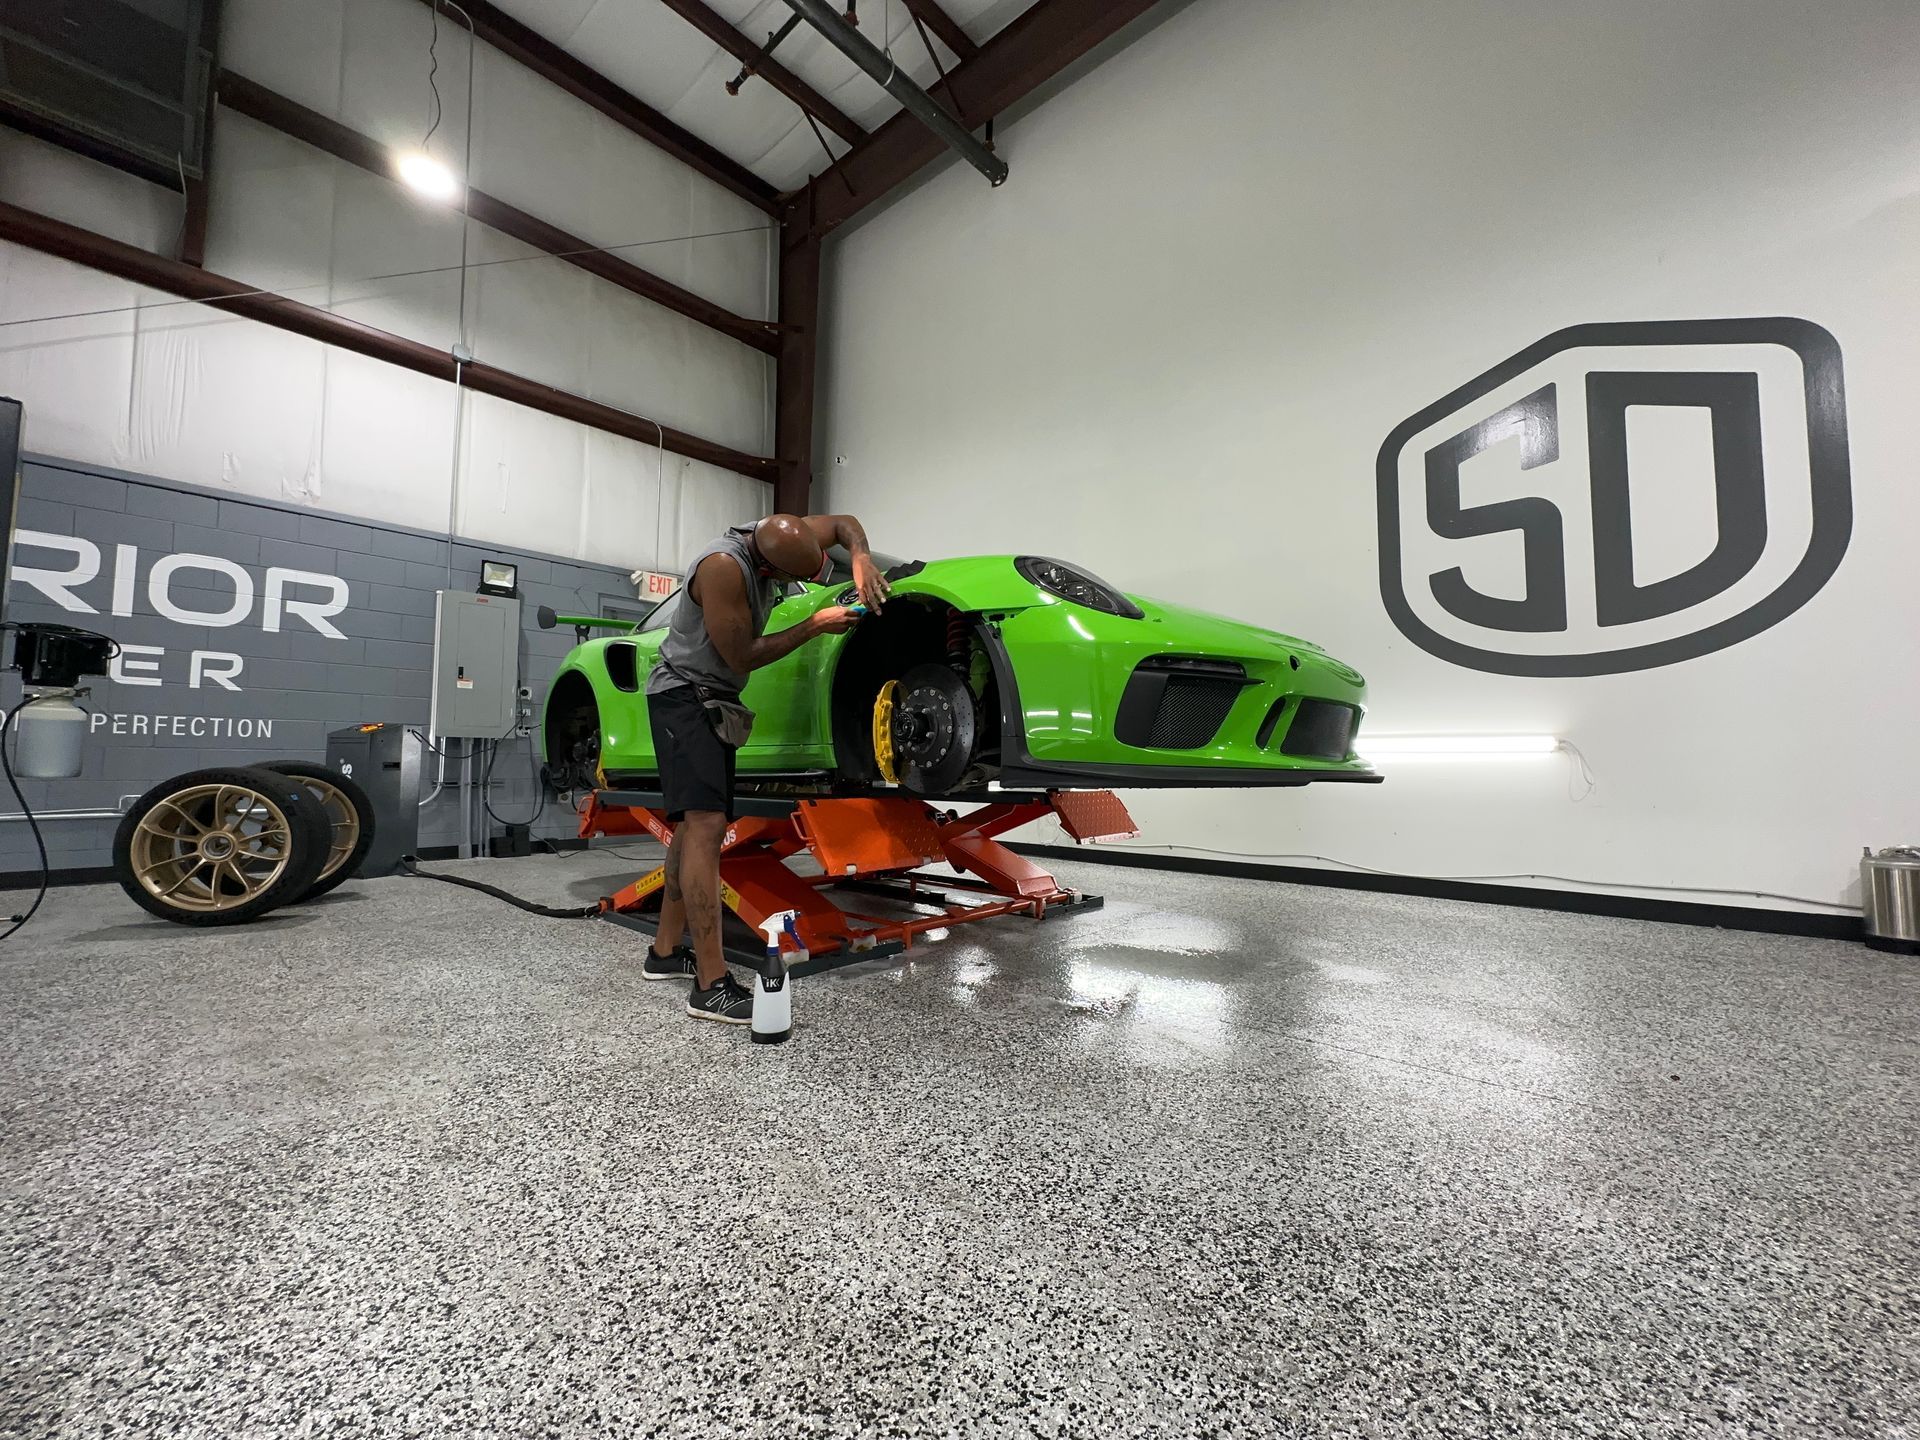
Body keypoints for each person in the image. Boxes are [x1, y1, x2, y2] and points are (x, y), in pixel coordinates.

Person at [642, 513, 890, 1024]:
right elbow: (741, 656)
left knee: (694, 825)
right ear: (767, 563)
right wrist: (814, 624)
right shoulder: (722, 569)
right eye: (781, 578)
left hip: (714, 698)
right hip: (685, 697)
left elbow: (845, 523)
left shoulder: (786, 532)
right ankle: (710, 986)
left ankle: (664, 952)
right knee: (706, 826)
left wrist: (860, 558)